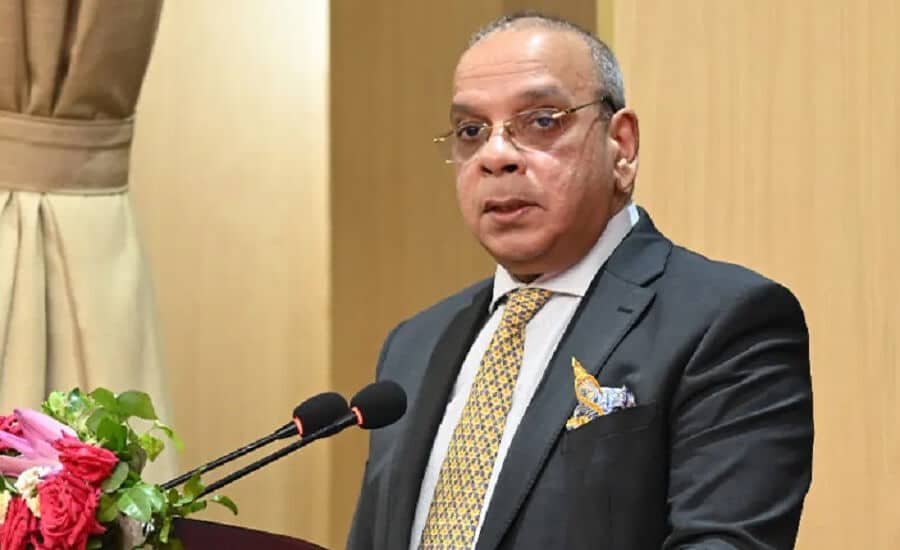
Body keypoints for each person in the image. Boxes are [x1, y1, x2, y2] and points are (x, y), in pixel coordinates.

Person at [348, 12, 813, 550]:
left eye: (542, 121)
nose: (495, 156)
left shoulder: (725, 321)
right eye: (472, 131)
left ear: (622, 145)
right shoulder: (414, 345)